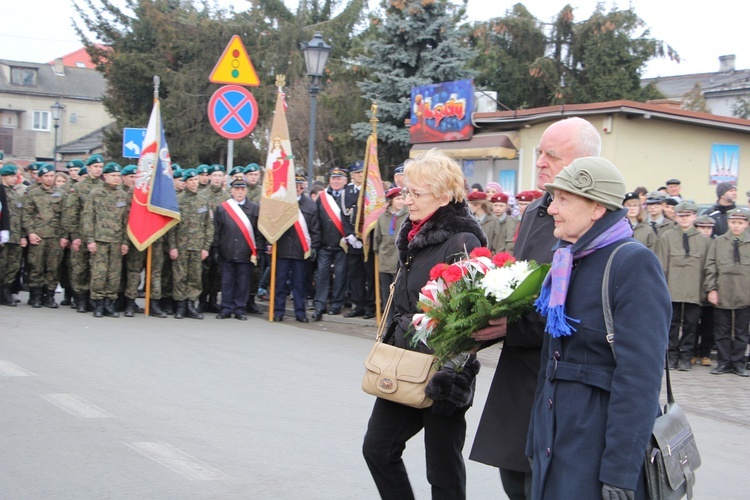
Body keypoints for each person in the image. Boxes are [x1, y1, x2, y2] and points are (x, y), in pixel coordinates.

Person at [470, 117, 602, 500]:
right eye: (539, 152)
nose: (540, 161)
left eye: (552, 155)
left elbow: (580, 307)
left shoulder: (594, 219)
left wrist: (512, 327)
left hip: (561, 371)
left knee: (544, 486)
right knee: (513, 478)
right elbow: (523, 282)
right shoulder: (534, 211)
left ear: (584, 163)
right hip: (521, 370)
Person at [524, 156, 670, 499]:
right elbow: (550, 360)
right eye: (552, 198)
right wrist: (536, 438)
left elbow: (639, 379)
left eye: (563, 199)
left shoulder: (632, 263)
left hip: (598, 446)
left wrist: (619, 472)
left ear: (596, 209)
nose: (552, 209)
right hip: (557, 440)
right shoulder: (567, 259)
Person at [362, 149, 487, 499]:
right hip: (404, 360)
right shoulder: (414, 234)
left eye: (417, 194)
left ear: (445, 196)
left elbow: (470, 317)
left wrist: (452, 376)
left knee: (443, 470)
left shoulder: (463, 240)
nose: (407, 200)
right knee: (378, 449)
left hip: (443, 371)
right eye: (406, 192)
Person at [655, 201, 709, 371]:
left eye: (688, 215)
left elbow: (707, 267)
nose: (684, 219)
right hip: (672, 290)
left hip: (694, 291)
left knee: (691, 326)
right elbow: (661, 265)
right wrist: (661, 289)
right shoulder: (667, 237)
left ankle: (686, 356)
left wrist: (705, 290)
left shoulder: (703, 240)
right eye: (681, 215)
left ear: (694, 216)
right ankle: (671, 355)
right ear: (676, 217)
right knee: (671, 325)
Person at [705, 208, 750, 376]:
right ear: (728, 223)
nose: (736, 226)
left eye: (740, 223)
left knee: (741, 332)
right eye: (733, 222)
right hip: (723, 291)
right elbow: (710, 267)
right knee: (722, 331)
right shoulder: (719, 242)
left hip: (745, 293)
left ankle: (738, 363)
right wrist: (712, 289)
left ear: (746, 224)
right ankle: (723, 362)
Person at [81, 162, 130, 318]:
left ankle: (110, 302)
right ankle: (98, 303)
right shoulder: (96, 193)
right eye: (113, 176)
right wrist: (90, 240)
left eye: (118, 176)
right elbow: (88, 217)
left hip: (116, 241)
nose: (116, 179)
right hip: (99, 239)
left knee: (114, 274)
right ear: (105, 176)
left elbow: (125, 220)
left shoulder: (122, 195)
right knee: (99, 273)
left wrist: (125, 241)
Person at [271, 174, 320, 322]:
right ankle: (278, 312)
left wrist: (314, 247)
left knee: (299, 285)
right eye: (295, 185)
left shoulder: (310, 205)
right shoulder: (281, 204)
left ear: (304, 186)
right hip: (283, 249)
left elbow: (315, 229)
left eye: (301, 185)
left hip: (301, 251)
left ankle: (300, 313)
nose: (298, 188)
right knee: (280, 283)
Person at [168, 168, 214, 320]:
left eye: (195, 180)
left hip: (197, 246)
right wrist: (173, 246)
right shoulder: (178, 200)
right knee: (180, 277)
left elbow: (208, 226)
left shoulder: (203, 200)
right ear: (185, 183)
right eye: (191, 180)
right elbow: (172, 228)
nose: (194, 183)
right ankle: (180, 306)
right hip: (181, 246)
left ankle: (191, 305)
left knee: (195, 278)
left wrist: (205, 247)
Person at [213, 179, 262, 321]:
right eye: (237, 189)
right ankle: (226, 308)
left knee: (243, 282)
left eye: (242, 189)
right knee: (227, 282)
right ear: (232, 191)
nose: (240, 192)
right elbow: (217, 230)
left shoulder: (254, 208)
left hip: (245, 252)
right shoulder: (222, 208)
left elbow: (258, 232)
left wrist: (258, 250)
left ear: (246, 191)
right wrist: (216, 249)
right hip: (226, 251)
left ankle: (240, 308)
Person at [62, 153, 104, 313]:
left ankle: (93, 299)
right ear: (88, 168)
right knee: (80, 268)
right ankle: (80, 299)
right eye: (95, 167)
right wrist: (74, 236)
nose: (98, 170)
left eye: (100, 167)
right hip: (82, 234)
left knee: (97, 269)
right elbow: (71, 214)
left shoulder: (103, 187)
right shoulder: (78, 187)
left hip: (99, 235)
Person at [22, 163, 67, 308]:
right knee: (36, 266)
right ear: (40, 178)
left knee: (53, 268)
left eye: (51, 176)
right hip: (38, 236)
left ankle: (50, 296)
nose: (49, 179)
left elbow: (65, 216)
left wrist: (63, 236)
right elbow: (27, 215)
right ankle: (35, 296)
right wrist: (31, 232)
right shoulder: (33, 193)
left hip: (55, 236)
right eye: (46, 176)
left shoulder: (61, 194)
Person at [311, 167, 351, 321]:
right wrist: (316, 243)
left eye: (339, 179)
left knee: (340, 275)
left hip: (342, 244)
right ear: (329, 180)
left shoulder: (349, 195)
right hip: (324, 244)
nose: (336, 181)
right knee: (322, 275)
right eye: (333, 178)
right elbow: (316, 221)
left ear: (345, 181)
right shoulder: (323, 197)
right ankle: (319, 305)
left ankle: (336, 304)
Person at [372, 186, 407, 320]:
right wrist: (380, 253)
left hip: (400, 263)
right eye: (397, 199)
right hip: (385, 262)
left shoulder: (409, 216)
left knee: (399, 295)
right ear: (391, 201)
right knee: (387, 296)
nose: (401, 201)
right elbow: (377, 240)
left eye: (402, 198)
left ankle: (398, 323)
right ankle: (387, 323)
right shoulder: (382, 218)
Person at [0, 163, 26, 306]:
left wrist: (23, 235)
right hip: (4, 235)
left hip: (15, 236)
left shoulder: (15, 193)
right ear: (4, 177)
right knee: (2, 265)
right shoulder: (1, 192)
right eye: (12, 176)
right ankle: (3, 293)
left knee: (13, 266)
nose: (15, 179)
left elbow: (21, 215)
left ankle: (7, 290)